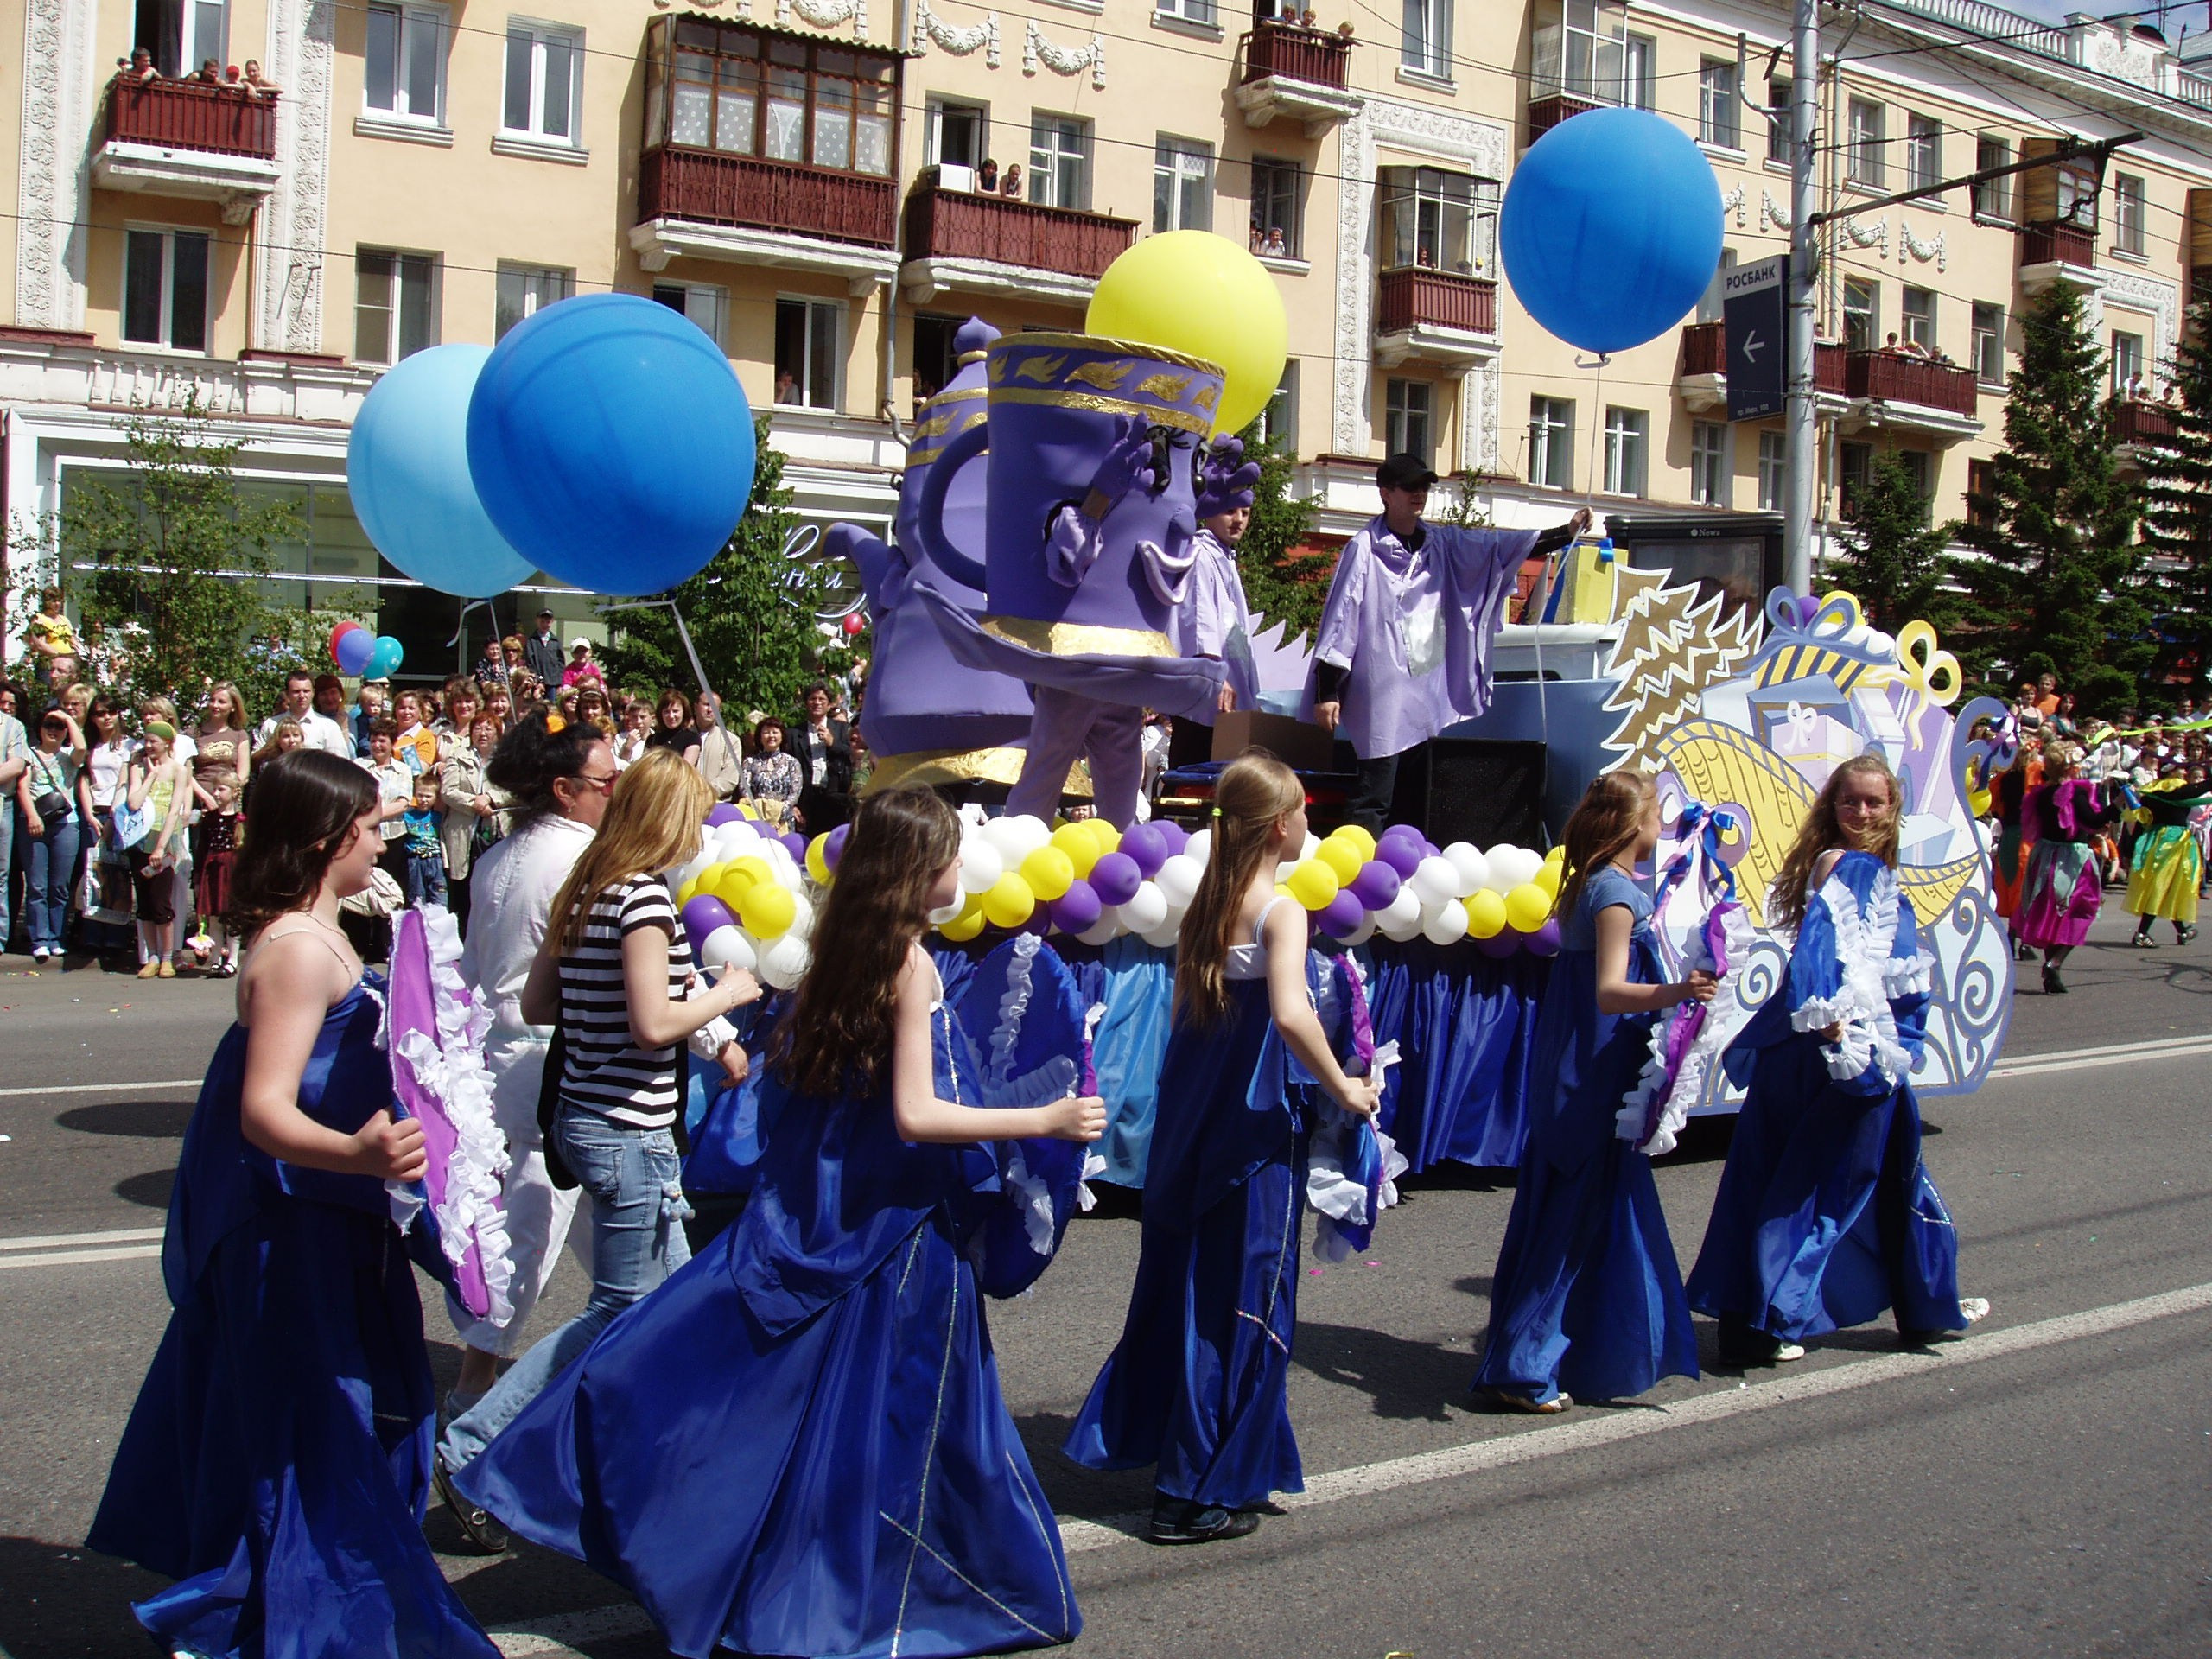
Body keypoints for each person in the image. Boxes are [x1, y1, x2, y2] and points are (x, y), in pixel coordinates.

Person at [451, 786, 1103, 1656]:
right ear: (919, 871)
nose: (961, 867)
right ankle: (897, 1590)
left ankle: (787, 1571)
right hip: (891, 1226)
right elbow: (916, 1113)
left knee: (787, 1403)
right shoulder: (908, 963)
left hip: (824, 1205)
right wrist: (1045, 1121)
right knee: (904, 1421)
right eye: (948, 853)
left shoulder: (839, 945)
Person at [86, 749, 500, 1659]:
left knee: (324, 1409)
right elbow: (264, 1109)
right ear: (327, 839)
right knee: (317, 1413)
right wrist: (356, 1151)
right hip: (296, 1223)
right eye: (368, 827)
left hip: (330, 1213)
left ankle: (295, 1586)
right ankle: (292, 1602)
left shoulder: (322, 933)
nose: (381, 839)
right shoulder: (297, 951)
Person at [434, 749, 760, 1548]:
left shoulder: (589, 887)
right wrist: (724, 995)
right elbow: (653, 1024)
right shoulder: (644, 899)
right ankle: (471, 1445)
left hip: (588, 1114)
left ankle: (659, 1469)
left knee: (675, 1308)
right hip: (628, 1130)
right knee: (620, 1307)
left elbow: (540, 998)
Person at [1065, 753, 1379, 1544]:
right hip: (1250, 1133)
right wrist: (1345, 1087)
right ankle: (1200, 1485)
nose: (1311, 821)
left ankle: (1187, 1459)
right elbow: (1291, 1014)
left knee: (1192, 1290)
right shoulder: (1279, 910)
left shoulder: (1208, 902)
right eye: (1304, 808)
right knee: (1247, 1297)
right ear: (1281, 824)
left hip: (1194, 1124)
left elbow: (1186, 1025)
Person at [1685, 755, 1989, 1364]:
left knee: (1871, 1179)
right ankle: (1773, 1319)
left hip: (1841, 1048)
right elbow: (1822, 952)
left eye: (1874, 802)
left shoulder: (1866, 868)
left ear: (1893, 808)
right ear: (1833, 806)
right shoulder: (1845, 865)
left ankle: (1924, 1307)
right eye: (1850, 801)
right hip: (1840, 1054)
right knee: (1822, 1187)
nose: (1861, 812)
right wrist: (1836, 1032)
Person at [1472, 772, 1709, 1414]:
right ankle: (1523, 1365)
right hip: (1594, 1064)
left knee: (1574, 1208)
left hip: (1577, 1056)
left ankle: (1547, 1352)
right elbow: (1609, 990)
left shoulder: (1591, 884)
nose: (1663, 825)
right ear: (1636, 826)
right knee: (1575, 1214)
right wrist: (1679, 993)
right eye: (1657, 814)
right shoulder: (1615, 894)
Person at [440, 714, 613, 1417]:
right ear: (565, 789)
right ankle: (475, 1399)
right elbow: (615, 973)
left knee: (620, 1239)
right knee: (529, 1231)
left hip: (502, 1064)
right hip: (555, 1072)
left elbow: (476, 973)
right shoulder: (581, 861)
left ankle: (651, 1357)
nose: (616, 793)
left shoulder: (496, 859)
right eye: (607, 782)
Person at [1309, 454, 1592, 830]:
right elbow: (1342, 616)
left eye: (1424, 486)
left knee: (1413, 796)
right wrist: (1327, 689)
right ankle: (1360, 872)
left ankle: (1403, 872)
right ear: (1386, 493)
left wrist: (1565, 531)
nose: (1419, 494)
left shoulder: (1439, 543)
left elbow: (1498, 549)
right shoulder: (1364, 550)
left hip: (1422, 689)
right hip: (1382, 692)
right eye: (1410, 486)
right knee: (1375, 792)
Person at [2015, 741, 2120, 993]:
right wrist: (2115, 807)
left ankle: (2053, 973)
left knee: (2052, 913)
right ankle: (2055, 962)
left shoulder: (2041, 794)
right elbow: (2091, 820)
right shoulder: (2076, 791)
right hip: (2071, 860)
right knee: (2081, 910)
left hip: (2045, 856)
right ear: (2070, 766)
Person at [124, 721, 192, 978]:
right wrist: (149, 775)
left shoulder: (178, 770)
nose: (149, 746)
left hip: (163, 841)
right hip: (140, 840)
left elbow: (175, 809)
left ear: (167, 743)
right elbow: (133, 802)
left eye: (155, 741)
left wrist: (162, 847)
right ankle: (151, 955)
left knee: (161, 901)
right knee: (144, 902)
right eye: (147, 740)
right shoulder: (138, 769)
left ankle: (167, 956)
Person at [18, 707, 86, 963]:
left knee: (59, 886)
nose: (54, 731)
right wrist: (32, 816)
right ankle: (39, 940)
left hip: (66, 824)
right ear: (40, 729)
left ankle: (57, 938)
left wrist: (67, 717)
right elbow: (24, 787)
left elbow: (81, 747)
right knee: (37, 886)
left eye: (59, 727)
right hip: (35, 823)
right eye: (49, 725)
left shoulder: (69, 755)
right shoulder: (29, 754)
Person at [2125, 768, 2212, 947]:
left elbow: (2143, 821)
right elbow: (2199, 789)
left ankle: (2183, 931)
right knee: (2163, 886)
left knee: (2170, 886)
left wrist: (2129, 849)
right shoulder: (2176, 790)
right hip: (2174, 843)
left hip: (2155, 840)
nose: (2183, 774)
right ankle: (2142, 933)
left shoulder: (2150, 792)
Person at [438, 714, 502, 932]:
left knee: (491, 889)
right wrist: (475, 803)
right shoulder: (458, 755)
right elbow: (448, 791)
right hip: (462, 830)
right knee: (462, 892)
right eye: (478, 729)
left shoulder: (506, 759)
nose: (482, 733)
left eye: (488, 729)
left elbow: (514, 789)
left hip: (494, 831)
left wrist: (491, 798)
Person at [194, 778, 243, 976]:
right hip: (212, 868)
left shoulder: (240, 819)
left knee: (232, 917)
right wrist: (197, 876)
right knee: (214, 916)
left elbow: (245, 850)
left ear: (233, 792)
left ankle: (232, 959)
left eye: (221, 789)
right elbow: (202, 848)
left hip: (231, 869)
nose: (215, 793)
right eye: (214, 789)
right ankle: (215, 959)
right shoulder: (209, 819)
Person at [359, 720, 416, 881]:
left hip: (394, 837)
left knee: (393, 881)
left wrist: (373, 815)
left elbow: (403, 803)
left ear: (392, 743)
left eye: (382, 741)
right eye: (373, 741)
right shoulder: (359, 766)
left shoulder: (403, 769)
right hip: (366, 835)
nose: (377, 745)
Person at [258, 670, 350, 757]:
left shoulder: (328, 727)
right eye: (296, 692)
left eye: (306, 691)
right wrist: (272, 747)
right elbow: (253, 764)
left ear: (313, 693)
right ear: (287, 693)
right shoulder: (271, 725)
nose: (302, 696)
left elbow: (340, 765)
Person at [741, 715, 803, 822]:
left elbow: (794, 793)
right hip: (756, 817)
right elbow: (745, 790)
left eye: (775, 732)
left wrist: (779, 816)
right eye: (766, 732)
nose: (771, 736)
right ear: (759, 737)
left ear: (782, 736)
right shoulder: (749, 762)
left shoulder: (792, 763)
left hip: (783, 818)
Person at [792, 681, 850, 792]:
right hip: (806, 795)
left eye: (822, 699)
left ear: (829, 705)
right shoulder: (794, 733)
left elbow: (853, 756)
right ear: (806, 703)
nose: (817, 703)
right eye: (813, 699)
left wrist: (833, 743)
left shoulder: (843, 729)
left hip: (835, 793)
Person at [400, 773, 447, 908]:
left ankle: (438, 927)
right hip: (415, 861)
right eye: (420, 795)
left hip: (436, 861)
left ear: (436, 798)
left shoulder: (438, 816)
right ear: (414, 794)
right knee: (417, 899)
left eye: (428, 796)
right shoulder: (407, 816)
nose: (424, 800)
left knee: (440, 899)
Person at [691, 690, 743, 802]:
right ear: (696, 707)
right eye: (706, 705)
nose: (710, 710)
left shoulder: (731, 741)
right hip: (684, 802)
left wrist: (703, 792)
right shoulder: (682, 736)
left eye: (714, 707)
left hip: (716, 804)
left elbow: (730, 778)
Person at [643, 687, 701, 766]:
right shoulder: (653, 739)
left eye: (675, 711)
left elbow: (686, 769)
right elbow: (644, 767)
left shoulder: (692, 739)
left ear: (684, 712)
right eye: (666, 712)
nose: (671, 716)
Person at [522, 607, 566, 689]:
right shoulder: (532, 641)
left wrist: (559, 681)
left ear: (552, 622)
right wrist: (538, 678)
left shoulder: (555, 641)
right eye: (542, 621)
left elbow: (561, 662)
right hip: (537, 683)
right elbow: (530, 662)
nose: (545, 625)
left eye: (548, 622)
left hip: (553, 682)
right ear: (536, 621)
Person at [611, 696, 651, 769]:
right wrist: (628, 747)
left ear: (652, 718)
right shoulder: (620, 738)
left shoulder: (658, 738)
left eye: (643, 717)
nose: (638, 722)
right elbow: (618, 767)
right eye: (634, 717)